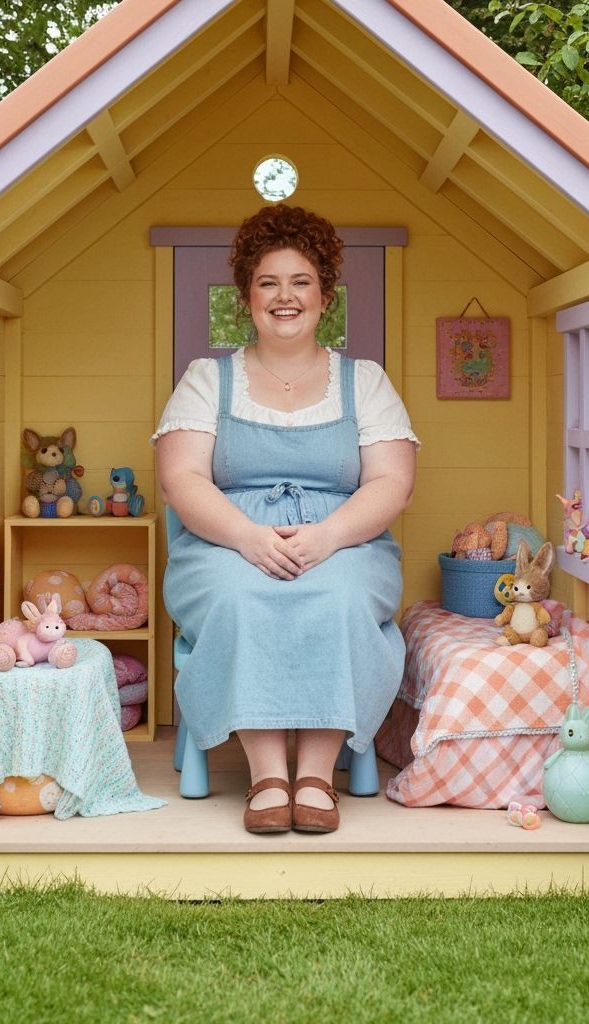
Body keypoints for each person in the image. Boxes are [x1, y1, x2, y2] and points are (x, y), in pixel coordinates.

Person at [153, 205, 418, 834]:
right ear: (247, 298)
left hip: (346, 541)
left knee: (341, 596)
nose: (285, 297)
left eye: (300, 282)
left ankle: (316, 775)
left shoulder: (365, 382)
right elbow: (180, 477)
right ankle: (268, 774)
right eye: (268, 283)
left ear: (325, 297)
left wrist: (327, 537)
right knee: (242, 597)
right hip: (224, 542)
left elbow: (393, 481)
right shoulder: (207, 379)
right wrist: (247, 538)